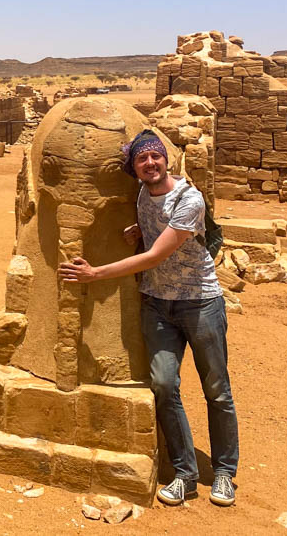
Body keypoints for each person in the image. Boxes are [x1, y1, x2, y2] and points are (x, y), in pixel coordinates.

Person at [57, 129, 238, 508]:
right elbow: (157, 235)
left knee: (217, 390)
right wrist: (141, 228)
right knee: (163, 385)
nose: (150, 163)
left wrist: (95, 274)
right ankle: (185, 474)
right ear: (134, 167)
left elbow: (156, 256)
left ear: (166, 159)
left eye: (155, 156)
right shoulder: (142, 193)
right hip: (157, 304)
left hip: (199, 302)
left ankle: (224, 472)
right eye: (142, 159)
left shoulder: (190, 200)